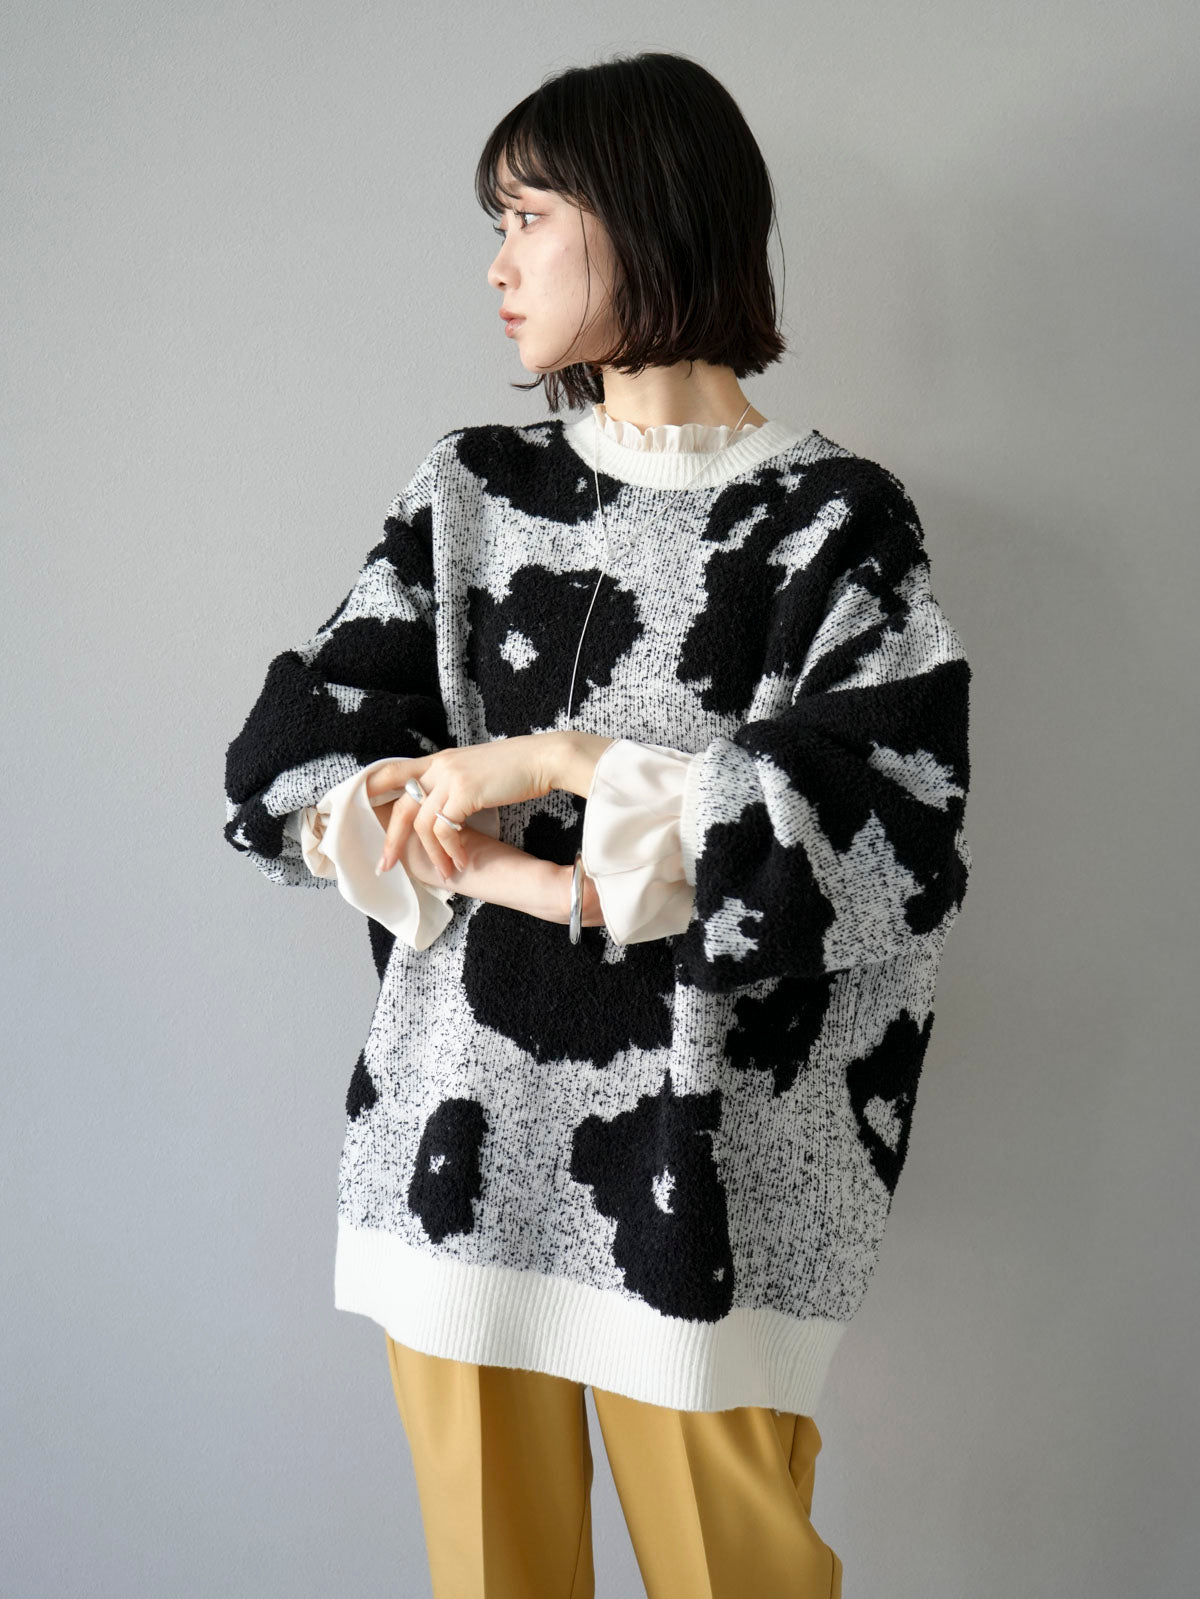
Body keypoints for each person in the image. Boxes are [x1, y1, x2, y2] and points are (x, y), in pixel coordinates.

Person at [222, 49, 974, 1599]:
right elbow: (288, 775)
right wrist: (496, 853)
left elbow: (891, 835)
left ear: (644, 214)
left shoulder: (833, 522)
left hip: (716, 1183)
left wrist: (552, 760)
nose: (496, 268)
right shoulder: (471, 491)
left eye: (528, 218)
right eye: (493, 226)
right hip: (458, 1151)